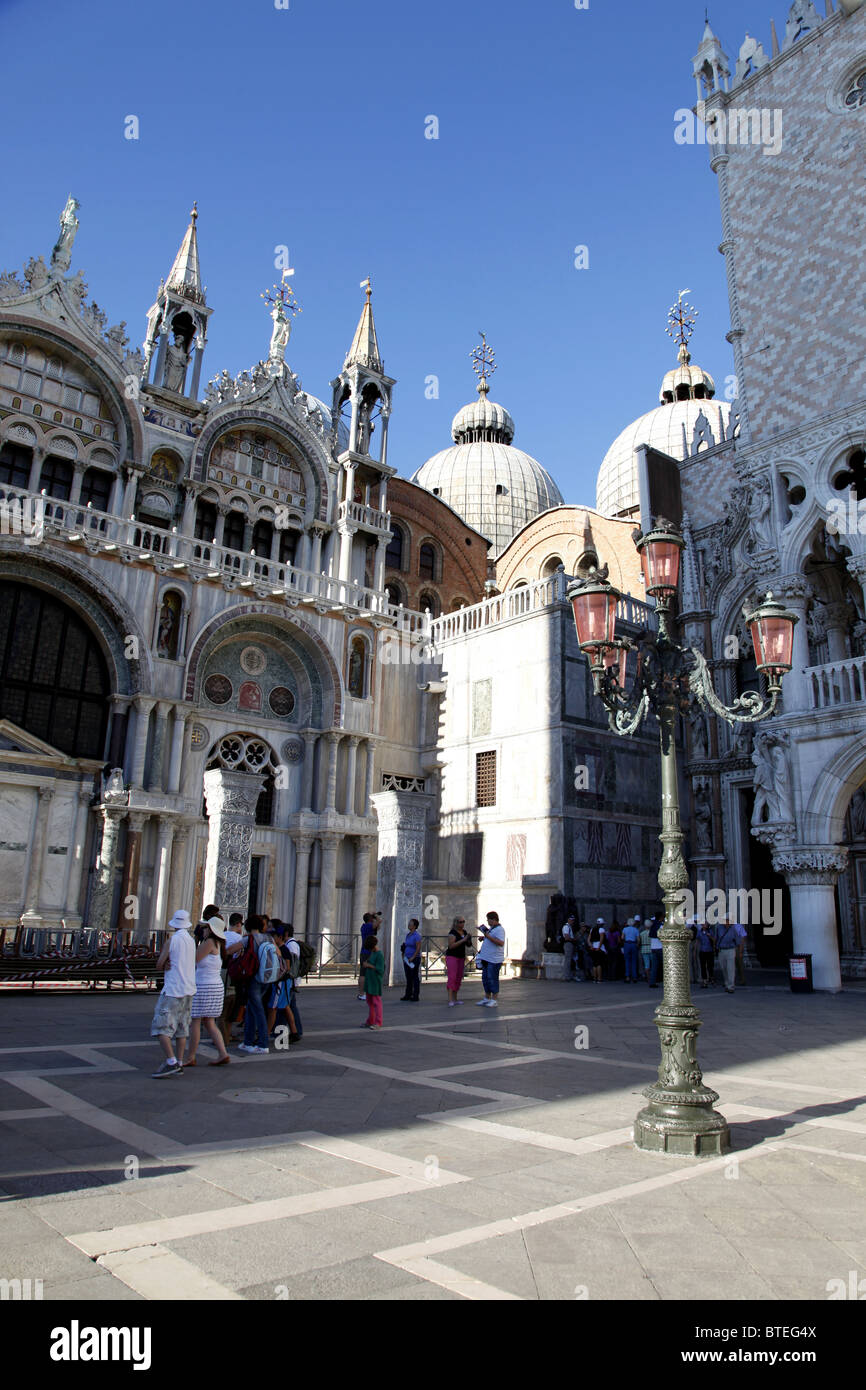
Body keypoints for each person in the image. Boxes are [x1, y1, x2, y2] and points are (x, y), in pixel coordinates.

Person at [151, 909, 196, 1078]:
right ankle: (180, 1061)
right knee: (182, 1028)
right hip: (189, 989)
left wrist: (165, 963)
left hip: (173, 989)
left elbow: (159, 964)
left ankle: (170, 1062)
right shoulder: (192, 941)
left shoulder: (172, 941)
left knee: (161, 1027)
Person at [186, 917, 231, 1067]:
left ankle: (191, 1056)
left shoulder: (210, 942)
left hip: (204, 986)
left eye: (205, 928)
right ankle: (223, 1053)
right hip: (214, 986)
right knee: (209, 1022)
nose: (203, 930)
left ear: (211, 930)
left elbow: (194, 959)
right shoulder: (219, 943)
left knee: (196, 1021)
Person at [239, 915, 271, 1053]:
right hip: (267, 978)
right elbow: (279, 954)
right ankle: (248, 1042)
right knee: (251, 1010)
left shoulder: (248, 939)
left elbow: (229, 950)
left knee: (258, 1011)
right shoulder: (269, 939)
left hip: (254, 978)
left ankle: (263, 1044)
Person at [265, 922, 300, 1043]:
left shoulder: (283, 950)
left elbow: (287, 967)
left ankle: (266, 1034)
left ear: (280, 937)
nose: (271, 938)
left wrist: (275, 975)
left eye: (273, 936)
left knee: (273, 1008)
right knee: (286, 1007)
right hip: (284, 982)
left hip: (281, 983)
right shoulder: (281, 948)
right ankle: (294, 1032)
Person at [220, 911, 246, 1042]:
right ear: (238, 924)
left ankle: (224, 1034)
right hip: (233, 974)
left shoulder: (222, 935)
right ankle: (225, 1035)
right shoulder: (238, 939)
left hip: (220, 972)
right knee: (230, 1005)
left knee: (223, 1005)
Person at [475, 911, 506, 1007]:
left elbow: (500, 942)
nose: (488, 921)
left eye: (488, 919)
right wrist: (484, 938)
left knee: (492, 978)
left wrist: (487, 936)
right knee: (485, 979)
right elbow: (492, 938)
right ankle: (487, 997)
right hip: (486, 958)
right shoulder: (492, 929)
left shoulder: (500, 929)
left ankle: (494, 999)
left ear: (493, 919)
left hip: (494, 959)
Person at [445, 915, 471, 1005]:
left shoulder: (464, 932)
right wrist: (463, 940)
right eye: (460, 922)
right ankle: (450, 999)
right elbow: (451, 946)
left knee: (459, 977)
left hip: (461, 956)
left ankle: (455, 998)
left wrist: (468, 939)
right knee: (452, 977)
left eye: (464, 921)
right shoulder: (452, 933)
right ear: (456, 923)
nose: (462, 924)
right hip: (452, 956)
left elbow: (468, 945)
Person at [361, 934, 385, 1029]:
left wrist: (368, 965)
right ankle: (370, 1020)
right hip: (370, 980)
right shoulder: (373, 953)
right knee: (369, 1001)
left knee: (376, 1002)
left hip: (375, 981)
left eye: (370, 948)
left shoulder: (379, 954)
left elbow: (380, 969)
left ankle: (378, 1022)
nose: (370, 950)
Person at [401, 917, 422, 1001]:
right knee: (408, 976)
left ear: (414, 926)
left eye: (410, 923)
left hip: (414, 958)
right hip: (407, 958)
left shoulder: (417, 935)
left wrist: (413, 957)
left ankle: (415, 995)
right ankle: (408, 994)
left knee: (414, 976)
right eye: (409, 923)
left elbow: (418, 947)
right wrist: (403, 954)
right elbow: (406, 945)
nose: (409, 925)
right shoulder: (408, 935)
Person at [716, 918, 739, 994]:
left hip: (730, 949)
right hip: (721, 950)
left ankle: (731, 986)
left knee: (730, 968)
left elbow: (737, 940)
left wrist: (738, 950)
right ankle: (727, 983)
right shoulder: (719, 927)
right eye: (725, 920)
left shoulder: (733, 929)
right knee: (723, 968)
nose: (726, 922)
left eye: (728, 920)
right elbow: (716, 938)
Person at [357, 911, 377, 1000]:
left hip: (363, 952)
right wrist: (375, 916)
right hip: (368, 953)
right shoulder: (369, 926)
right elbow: (379, 922)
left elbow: (376, 928)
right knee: (366, 973)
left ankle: (362, 993)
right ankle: (363, 993)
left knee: (363, 973)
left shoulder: (363, 926)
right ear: (370, 919)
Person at [697, 921, 716, 988]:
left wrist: (710, 936)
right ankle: (704, 980)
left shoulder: (710, 931)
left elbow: (714, 940)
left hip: (709, 950)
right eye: (703, 924)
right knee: (703, 966)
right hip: (702, 950)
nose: (704, 925)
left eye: (705, 924)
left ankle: (711, 978)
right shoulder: (700, 931)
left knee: (710, 965)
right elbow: (698, 940)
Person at [622, 916, 641, 982]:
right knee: (634, 961)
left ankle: (627, 976)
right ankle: (634, 977)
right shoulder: (636, 929)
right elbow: (638, 939)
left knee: (627, 960)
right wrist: (637, 945)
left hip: (627, 944)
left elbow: (622, 937)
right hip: (633, 944)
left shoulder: (625, 929)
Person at [588, 918, 606, 983]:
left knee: (594, 964)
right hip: (599, 948)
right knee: (599, 963)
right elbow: (602, 939)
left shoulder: (592, 929)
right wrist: (599, 947)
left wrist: (591, 946)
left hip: (593, 947)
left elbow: (589, 939)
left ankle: (594, 978)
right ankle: (599, 979)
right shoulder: (601, 929)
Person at [648, 917, 664, 988]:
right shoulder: (661, 926)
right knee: (666, 966)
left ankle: (652, 982)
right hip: (660, 947)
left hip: (653, 948)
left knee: (654, 966)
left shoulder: (652, 927)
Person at [561, 913, 576, 981]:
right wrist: (574, 939)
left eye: (573, 920)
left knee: (569, 960)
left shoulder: (569, 927)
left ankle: (567, 976)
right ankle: (565, 977)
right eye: (571, 920)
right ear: (568, 920)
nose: (573, 921)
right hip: (568, 944)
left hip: (570, 944)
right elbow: (567, 937)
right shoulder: (566, 927)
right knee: (567, 960)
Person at [734, 920, 748, 985]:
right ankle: (731, 980)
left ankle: (742, 979)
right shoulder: (724, 926)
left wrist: (741, 950)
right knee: (730, 965)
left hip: (737, 947)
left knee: (739, 965)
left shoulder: (738, 926)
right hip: (729, 947)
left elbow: (743, 937)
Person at [639, 917, 652, 981]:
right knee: (652, 964)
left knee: (646, 965)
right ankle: (652, 977)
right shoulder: (652, 933)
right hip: (651, 948)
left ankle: (648, 978)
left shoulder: (641, 933)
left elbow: (639, 942)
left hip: (644, 948)